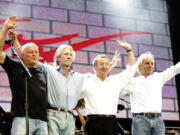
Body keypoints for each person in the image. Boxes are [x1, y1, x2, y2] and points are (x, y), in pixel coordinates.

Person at [0, 16, 48, 135]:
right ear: (22, 55)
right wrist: (5, 29)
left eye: (36, 52)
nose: (34, 54)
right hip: (22, 118)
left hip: (42, 121)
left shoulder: (42, 69)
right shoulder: (15, 66)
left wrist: (15, 40)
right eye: (30, 52)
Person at [80, 40, 136, 135]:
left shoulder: (115, 81)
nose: (105, 66)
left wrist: (129, 49)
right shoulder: (86, 81)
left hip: (111, 122)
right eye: (101, 64)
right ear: (94, 67)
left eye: (107, 64)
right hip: (93, 122)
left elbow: (132, 69)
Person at [123, 52, 180, 135]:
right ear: (140, 65)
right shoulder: (133, 82)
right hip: (140, 120)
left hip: (158, 120)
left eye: (152, 63)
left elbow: (174, 69)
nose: (150, 66)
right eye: (147, 63)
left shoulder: (158, 78)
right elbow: (118, 91)